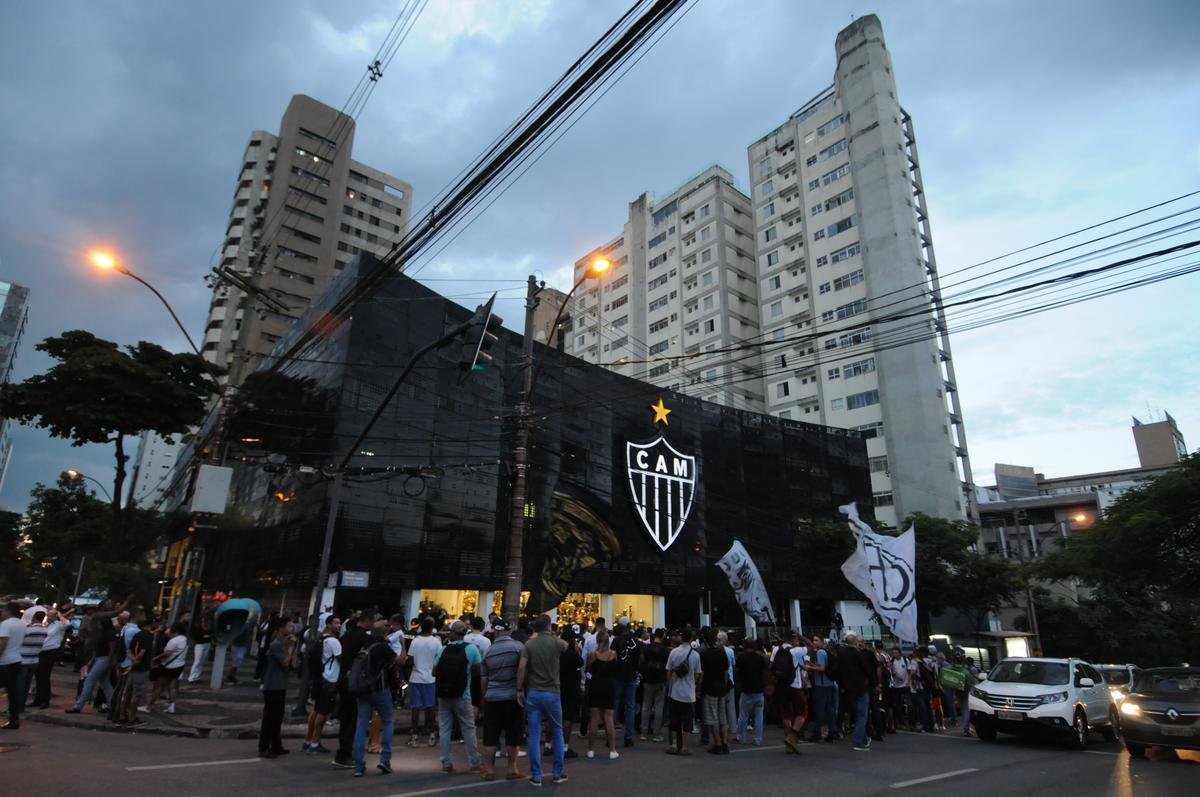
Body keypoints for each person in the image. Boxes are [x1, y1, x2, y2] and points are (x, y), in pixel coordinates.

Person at [517, 615, 568, 786]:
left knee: (534, 734)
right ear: (549, 627)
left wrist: (519, 689)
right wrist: (553, 635)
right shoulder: (556, 642)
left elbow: (522, 667)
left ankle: (536, 775)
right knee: (557, 732)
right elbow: (567, 645)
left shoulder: (529, 644)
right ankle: (557, 772)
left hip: (534, 692)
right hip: (552, 692)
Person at [352, 619, 400, 777]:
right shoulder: (383, 648)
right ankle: (385, 759)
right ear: (384, 632)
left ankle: (358, 765)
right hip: (379, 688)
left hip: (362, 688)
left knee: (361, 724)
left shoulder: (364, 645)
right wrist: (403, 645)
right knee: (387, 721)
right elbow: (400, 660)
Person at [478, 618, 525, 781]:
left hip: (492, 697)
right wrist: (521, 689)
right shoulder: (518, 648)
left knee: (491, 736)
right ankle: (512, 768)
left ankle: (489, 770)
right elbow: (522, 670)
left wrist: (484, 696)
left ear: (496, 632)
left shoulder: (488, 651)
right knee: (513, 733)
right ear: (509, 632)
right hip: (512, 697)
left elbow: (484, 678)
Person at [434, 619, 482, 774]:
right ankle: (474, 762)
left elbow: (434, 671)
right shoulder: (472, 649)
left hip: (443, 694)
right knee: (468, 728)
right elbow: (477, 671)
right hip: (463, 694)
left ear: (452, 633)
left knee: (445, 728)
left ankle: (446, 762)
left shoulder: (443, 649)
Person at [332, 613, 373, 769]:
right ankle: (345, 753)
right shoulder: (363, 638)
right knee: (353, 718)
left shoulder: (347, 635)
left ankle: (344, 751)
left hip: (343, 679)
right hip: (354, 682)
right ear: (367, 621)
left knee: (346, 717)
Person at [258, 616, 295, 759]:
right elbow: (285, 662)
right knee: (270, 718)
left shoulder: (282, 643)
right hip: (272, 686)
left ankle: (276, 745)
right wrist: (291, 648)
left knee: (277, 717)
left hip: (279, 684)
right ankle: (264, 747)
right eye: (289, 626)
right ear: (281, 628)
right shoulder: (276, 644)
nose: (292, 629)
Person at [303, 615, 342, 753]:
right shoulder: (334, 641)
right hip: (330, 679)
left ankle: (308, 740)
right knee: (323, 712)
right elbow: (340, 658)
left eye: (339, 623)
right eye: (336, 623)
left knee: (316, 710)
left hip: (321, 677)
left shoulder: (321, 638)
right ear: (328, 624)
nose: (339, 625)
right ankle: (315, 742)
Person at [664, 627, 701, 755]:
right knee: (687, 720)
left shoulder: (673, 652)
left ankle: (674, 744)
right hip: (689, 693)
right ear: (691, 639)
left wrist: (670, 684)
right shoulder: (695, 655)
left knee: (674, 719)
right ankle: (685, 746)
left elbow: (668, 671)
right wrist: (694, 684)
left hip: (675, 691)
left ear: (681, 638)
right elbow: (697, 673)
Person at [771, 631, 808, 755]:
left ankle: (789, 745)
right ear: (793, 640)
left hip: (781, 685)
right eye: (797, 640)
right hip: (794, 685)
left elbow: (771, 666)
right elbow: (812, 647)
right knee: (802, 712)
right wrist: (801, 636)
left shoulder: (776, 649)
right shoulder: (796, 651)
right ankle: (792, 736)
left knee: (786, 714)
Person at [839, 632, 877, 751]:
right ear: (855, 642)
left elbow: (837, 669)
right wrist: (873, 682)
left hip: (848, 687)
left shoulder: (841, 653)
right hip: (860, 687)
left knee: (856, 712)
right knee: (862, 714)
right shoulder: (859, 655)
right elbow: (868, 670)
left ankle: (864, 737)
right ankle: (858, 740)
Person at [585, 628, 619, 759]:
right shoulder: (613, 654)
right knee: (608, 717)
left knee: (594, 718)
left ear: (597, 641)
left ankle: (591, 749)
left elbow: (588, 670)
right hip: (609, 686)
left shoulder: (593, 655)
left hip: (596, 685)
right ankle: (612, 750)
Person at [406, 615, 440, 748]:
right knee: (430, 706)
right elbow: (439, 659)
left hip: (416, 677)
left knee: (415, 707)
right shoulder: (436, 642)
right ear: (432, 628)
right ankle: (431, 735)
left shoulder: (415, 641)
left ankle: (414, 736)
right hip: (431, 678)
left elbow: (409, 660)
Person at [699, 629, 731, 754]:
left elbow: (702, 672)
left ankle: (717, 744)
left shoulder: (705, 654)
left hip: (710, 687)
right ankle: (725, 743)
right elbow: (725, 671)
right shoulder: (722, 652)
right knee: (723, 717)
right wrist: (725, 684)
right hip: (721, 687)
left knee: (713, 718)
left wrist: (699, 687)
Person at [610, 616, 640, 749]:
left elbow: (612, 658)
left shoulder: (616, 641)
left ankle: (611, 736)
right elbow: (639, 660)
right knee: (630, 707)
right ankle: (628, 737)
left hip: (617, 675)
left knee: (614, 705)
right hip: (631, 676)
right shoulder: (635, 642)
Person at [34, 607, 70, 708]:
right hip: (40, 652)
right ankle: (38, 699)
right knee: (38, 676)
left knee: (44, 677)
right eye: (48, 615)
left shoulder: (59, 625)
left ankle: (45, 701)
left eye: (51, 616)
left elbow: (67, 624)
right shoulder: (45, 624)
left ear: (55, 616)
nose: (49, 617)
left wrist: (59, 615)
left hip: (50, 652)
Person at [735, 638, 768, 745]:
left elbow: (738, 672)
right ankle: (758, 739)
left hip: (746, 690)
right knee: (759, 716)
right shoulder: (760, 658)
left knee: (743, 715)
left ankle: (741, 737)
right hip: (759, 690)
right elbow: (764, 672)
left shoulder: (741, 657)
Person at [148, 622, 188, 713]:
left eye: (169, 629)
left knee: (158, 686)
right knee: (172, 686)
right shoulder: (184, 639)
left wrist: (156, 658)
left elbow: (167, 654)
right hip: (179, 665)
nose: (167, 630)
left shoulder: (173, 641)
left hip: (169, 666)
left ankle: (149, 706)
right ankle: (171, 705)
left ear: (175, 631)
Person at [0, 601, 27, 729]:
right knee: (12, 692)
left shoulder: (5, 624)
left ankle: (13, 720)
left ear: (8, 611)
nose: (2, 613)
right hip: (16, 660)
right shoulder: (22, 624)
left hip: (5, 662)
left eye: (4, 610)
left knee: (10, 690)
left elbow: (2, 644)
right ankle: (14, 720)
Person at [558, 626, 584, 758]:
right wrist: (577, 650)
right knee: (567, 718)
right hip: (570, 688)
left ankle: (550, 744)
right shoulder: (572, 654)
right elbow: (580, 662)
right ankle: (564, 746)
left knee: (556, 717)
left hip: (558, 687)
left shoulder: (558, 652)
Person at [639, 628, 669, 742]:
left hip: (648, 679)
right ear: (662, 636)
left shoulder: (646, 648)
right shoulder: (665, 650)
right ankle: (657, 733)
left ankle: (644, 732)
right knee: (659, 707)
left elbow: (641, 662)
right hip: (660, 680)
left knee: (646, 706)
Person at [806, 634, 837, 742]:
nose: (814, 642)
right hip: (829, 683)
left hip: (822, 685)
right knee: (829, 710)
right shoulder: (825, 652)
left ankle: (817, 734)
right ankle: (832, 733)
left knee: (819, 710)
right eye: (813, 640)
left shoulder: (820, 652)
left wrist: (809, 667)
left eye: (816, 640)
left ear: (821, 642)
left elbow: (821, 668)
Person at [19, 610, 48, 708]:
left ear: (34, 617)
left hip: (23, 660)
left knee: (19, 685)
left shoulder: (28, 630)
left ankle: (18, 706)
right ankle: (22, 705)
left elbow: (20, 642)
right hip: (34, 660)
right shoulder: (45, 631)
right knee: (27, 684)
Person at [187, 611, 214, 684]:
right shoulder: (199, 626)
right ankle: (192, 678)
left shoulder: (203, 626)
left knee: (200, 661)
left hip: (203, 643)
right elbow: (195, 636)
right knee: (198, 661)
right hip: (201, 644)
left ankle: (196, 677)